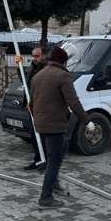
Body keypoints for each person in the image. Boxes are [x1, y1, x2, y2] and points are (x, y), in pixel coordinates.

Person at [30, 46, 94, 208]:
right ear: (63, 61)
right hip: (55, 126)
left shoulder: (38, 76)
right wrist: (87, 121)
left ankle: (55, 184)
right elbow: (73, 102)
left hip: (40, 125)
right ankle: (45, 197)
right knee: (54, 161)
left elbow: (32, 103)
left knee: (54, 157)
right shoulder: (63, 76)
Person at [22, 47, 47, 171]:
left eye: (37, 56)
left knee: (41, 135)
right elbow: (26, 81)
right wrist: (19, 66)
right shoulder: (32, 66)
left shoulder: (45, 68)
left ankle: (45, 161)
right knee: (33, 135)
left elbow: (42, 88)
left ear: (43, 55)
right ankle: (37, 160)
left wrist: (33, 103)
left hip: (40, 106)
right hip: (31, 106)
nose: (34, 58)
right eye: (33, 56)